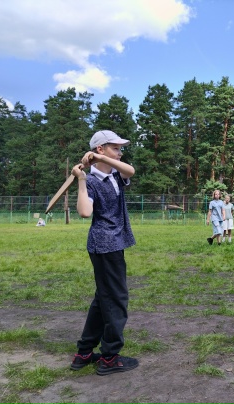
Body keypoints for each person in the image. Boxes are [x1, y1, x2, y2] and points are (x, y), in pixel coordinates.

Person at [70, 130, 138, 375]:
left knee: (102, 299)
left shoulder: (117, 175)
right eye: (115, 148)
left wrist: (101, 159)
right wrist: (81, 179)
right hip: (105, 245)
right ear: (100, 148)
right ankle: (109, 357)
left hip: (115, 243)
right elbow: (85, 212)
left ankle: (84, 352)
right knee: (116, 300)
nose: (120, 153)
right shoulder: (92, 182)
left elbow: (130, 171)